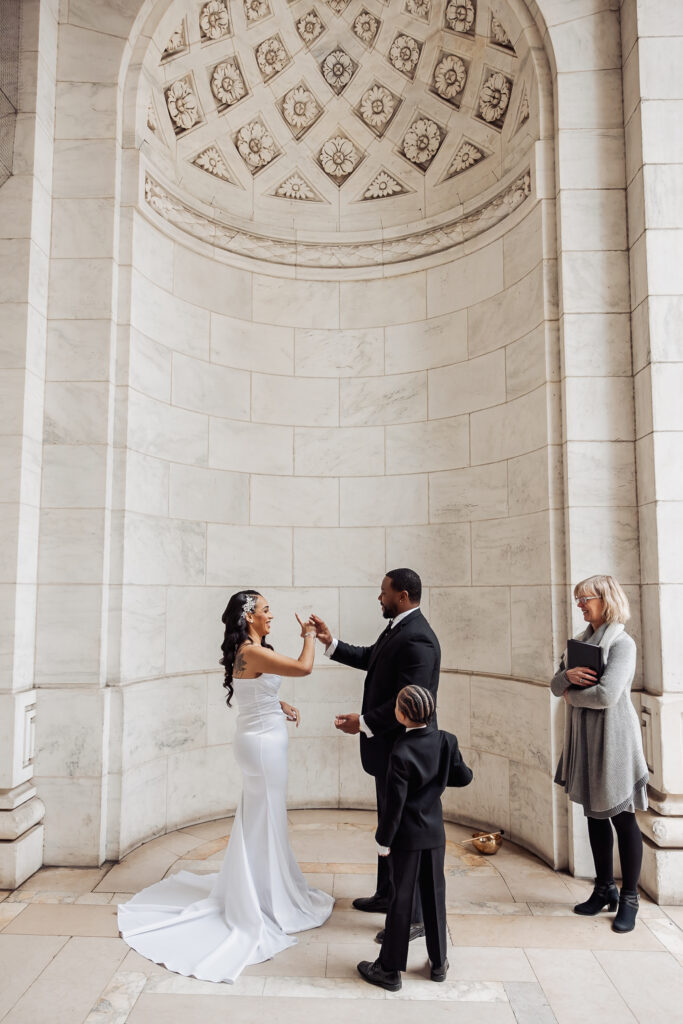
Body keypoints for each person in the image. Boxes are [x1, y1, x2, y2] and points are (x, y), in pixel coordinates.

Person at [118, 590, 334, 983]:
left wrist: (278, 705)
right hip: (263, 748)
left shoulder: (252, 651)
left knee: (262, 818)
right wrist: (308, 636)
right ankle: (264, 901)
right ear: (250, 616)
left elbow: (256, 692)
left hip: (261, 740)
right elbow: (303, 669)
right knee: (264, 817)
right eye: (267, 611)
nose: (273, 616)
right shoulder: (252, 651)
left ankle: (264, 889)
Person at [311, 567, 440, 942]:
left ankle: (413, 917)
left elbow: (409, 702)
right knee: (389, 824)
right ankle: (387, 895)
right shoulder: (399, 626)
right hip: (388, 751)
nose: (379, 598)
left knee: (402, 833)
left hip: (403, 752)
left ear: (401, 596)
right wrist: (331, 642)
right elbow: (373, 659)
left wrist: (363, 721)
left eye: (384, 592)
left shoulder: (419, 640)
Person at [357, 685, 473, 992]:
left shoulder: (401, 750)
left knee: (401, 901)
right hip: (435, 835)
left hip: (406, 838)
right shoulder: (446, 741)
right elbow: (464, 777)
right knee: (435, 897)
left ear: (403, 715)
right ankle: (438, 963)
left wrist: (383, 840)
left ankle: (389, 969)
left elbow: (394, 805)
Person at [551, 574, 648, 933]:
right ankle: (604, 887)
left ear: (606, 599)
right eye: (578, 599)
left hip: (614, 738)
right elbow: (554, 683)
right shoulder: (578, 642)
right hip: (585, 737)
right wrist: (568, 677)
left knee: (622, 817)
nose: (580, 604)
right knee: (594, 814)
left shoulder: (623, 644)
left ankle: (630, 898)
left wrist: (570, 692)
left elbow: (607, 695)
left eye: (585, 598)